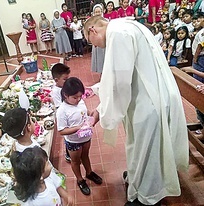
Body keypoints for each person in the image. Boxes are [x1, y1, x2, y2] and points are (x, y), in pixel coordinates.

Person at [84, 15, 189, 205]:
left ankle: (146, 197)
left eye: (94, 44)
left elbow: (119, 80)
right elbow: (121, 75)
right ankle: (136, 178)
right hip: (150, 96)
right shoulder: (128, 25)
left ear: (93, 30)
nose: (98, 48)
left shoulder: (118, 33)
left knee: (146, 151)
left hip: (147, 103)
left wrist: (102, 111)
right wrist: (101, 103)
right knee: (140, 148)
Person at [56, 77, 103, 196]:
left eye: (80, 96)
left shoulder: (80, 101)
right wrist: (77, 128)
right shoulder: (62, 111)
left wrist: (90, 114)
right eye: (74, 97)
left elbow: (84, 111)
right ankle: (80, 180)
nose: (78, 100)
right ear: (66, 95)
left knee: (85, 155)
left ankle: (89, 172)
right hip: (73, 141)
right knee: (76, 161)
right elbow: (61, 131)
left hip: (86, 136)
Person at [50, 63, 71, 162]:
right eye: (65, 79)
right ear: (56, 80)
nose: (67, 81)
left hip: (69, 114)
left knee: (71, 134)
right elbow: (59, 107)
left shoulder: (64, 87)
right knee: (67, 136)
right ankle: (68, 154)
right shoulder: (56, 92)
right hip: (64, 116)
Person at [91, 4, 106, 75]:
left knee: (106, 58)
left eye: (99, 11)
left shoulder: (106, 21)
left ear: (102, 12)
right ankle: (101, 74)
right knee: (99, 59)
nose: (98, 13)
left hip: (104, 43)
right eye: (96, 12)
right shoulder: (91, 22)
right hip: (96, 43)